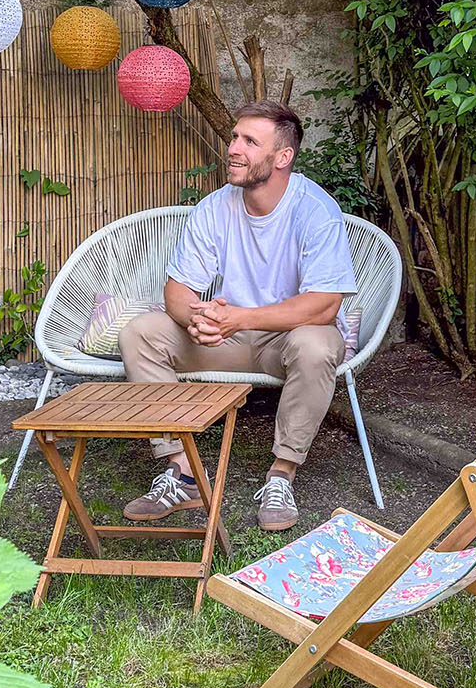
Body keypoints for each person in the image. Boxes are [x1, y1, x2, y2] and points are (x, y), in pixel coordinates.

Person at [119, 100, 357, 532]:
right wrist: (196, 320)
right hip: (226, 337)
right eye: (234, 137)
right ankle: (182, 471)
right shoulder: (215, 207)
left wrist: (241, 319)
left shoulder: (315, 210)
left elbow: (325, 305)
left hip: (283, 340)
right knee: (141, 333)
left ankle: (281, 474)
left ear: (282, 157)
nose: (233, 148)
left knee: (318, 343)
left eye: (249, 141)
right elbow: (178, 289)